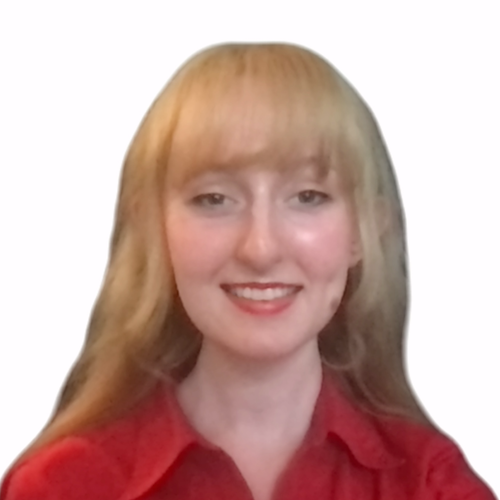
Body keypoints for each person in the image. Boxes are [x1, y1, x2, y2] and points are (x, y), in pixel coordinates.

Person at [0, 43, 495, 500]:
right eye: (214, 199)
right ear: (153, 227)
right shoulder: (63, 487)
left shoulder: (433, 486)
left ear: (365, 232)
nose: (260, 248)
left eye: (308, 197)